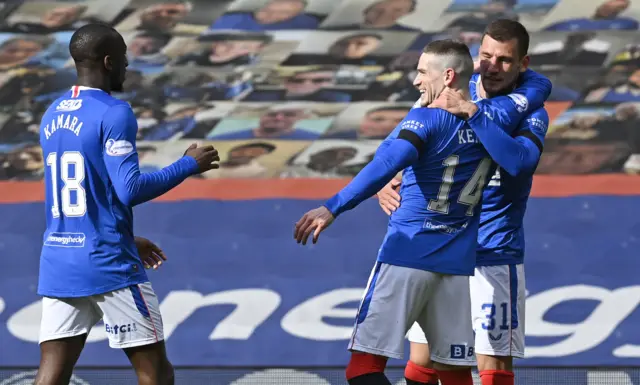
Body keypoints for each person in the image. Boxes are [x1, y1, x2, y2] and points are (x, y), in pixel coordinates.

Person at [33, 23, 219, 385]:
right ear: (108, 62)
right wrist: (187, 165)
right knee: (156, 373)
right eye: (123, 58)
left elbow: (81, 195)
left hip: (59, 260)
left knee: (51, 374)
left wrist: (126, 238)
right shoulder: (114, 112)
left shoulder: (53, 114)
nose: (127, 66)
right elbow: (129, 189)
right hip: (109, 265)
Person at [295, 39, 488, 385]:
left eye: (421, 72)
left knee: (363, 369)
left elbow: (387, 161)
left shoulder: (427, 119)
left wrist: (332, 207)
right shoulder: (490, 123)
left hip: (408, 255)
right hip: (456, 263)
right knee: (455, 373)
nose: (415, 81)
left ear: (447, 76)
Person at [376, 19, 552, 385]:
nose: (492, 66)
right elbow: (397, 141)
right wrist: (382, 181)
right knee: (423, 359)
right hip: (441, 245)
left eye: (505, 60)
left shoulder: (530, 112)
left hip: (493, 250)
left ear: (523, 63)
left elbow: (520, 163)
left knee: (494, 366)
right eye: (486, 55)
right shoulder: (452, 88)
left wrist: (475, 115)